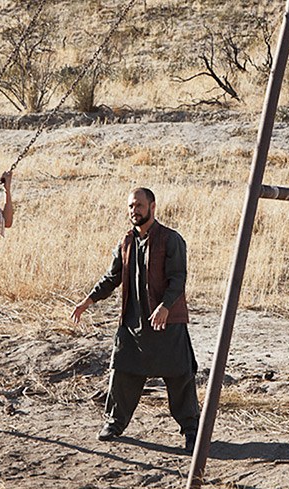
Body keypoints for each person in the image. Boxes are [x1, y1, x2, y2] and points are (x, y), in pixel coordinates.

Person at [70, 187, 200, 452]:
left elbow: (178, 279)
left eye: (139, 205)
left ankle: (192, 432)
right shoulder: (126, 241)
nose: (134, 210)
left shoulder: (171, 239)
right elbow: (112, 277)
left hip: (167, 322)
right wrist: (88, 301)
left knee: (180, 377)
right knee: (122, 372)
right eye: (131, 206)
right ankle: (114, 423)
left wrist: (165, 306)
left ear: (152, 207)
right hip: (133, 324)